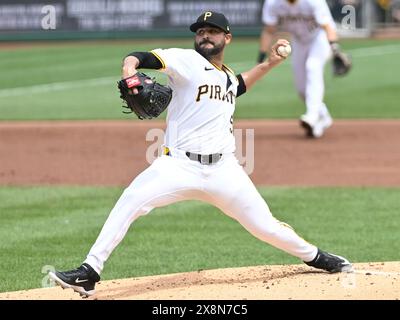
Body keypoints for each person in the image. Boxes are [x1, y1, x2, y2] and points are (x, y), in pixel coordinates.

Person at [49, 11, 352, 297]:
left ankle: (316, 256)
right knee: (130, 200)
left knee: (266, 227)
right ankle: (90, 271)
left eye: (213, 31)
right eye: (201, 31)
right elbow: (141, 57)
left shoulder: (226, 75)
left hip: (224, 171)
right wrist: (130, 70)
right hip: (176, 165)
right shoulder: (184, 61)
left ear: (227, 38)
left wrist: (270, 63)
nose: (206, 35)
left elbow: (238, 85)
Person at [258, 0, 340, 138]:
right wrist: (260, 58)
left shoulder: (312, 2)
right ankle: (323, 116)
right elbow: (268, 31)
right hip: (299, 42)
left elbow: (327, 27)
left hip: (320, 38)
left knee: (313, 66)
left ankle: (312, 116)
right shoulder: (273, 3)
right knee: (302, 90)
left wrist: (335, 49)